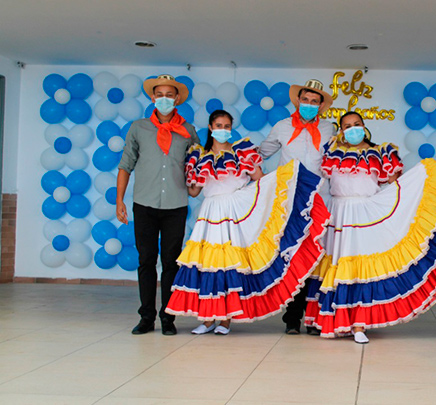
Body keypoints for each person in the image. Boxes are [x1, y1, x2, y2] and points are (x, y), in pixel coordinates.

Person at [304, 111, 436, 344]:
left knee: (360, 268)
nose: (352, 129)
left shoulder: (380, 152)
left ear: (364, 126)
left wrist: (409, 193)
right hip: (338, 214)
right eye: (347, 126)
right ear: (341, 130)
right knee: (337, 265)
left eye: (356, 124)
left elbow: (395, 184)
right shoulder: (332, 152)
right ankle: (333, 320)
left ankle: (359, 324)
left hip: (366, 213)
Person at [164, 110, 329, 334]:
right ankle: (207, 319)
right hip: (210, 212)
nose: (223, 130)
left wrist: (279, 186)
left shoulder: (242, 154)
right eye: (219, 125)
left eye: (226, 126)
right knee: (208, 264)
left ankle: (225, 320)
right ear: (211, 128)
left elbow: (259, 180)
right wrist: (187, 174)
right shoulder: (199, 157)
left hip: (234, 212)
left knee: (230, 264)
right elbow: (194, 192)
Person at [117, 74, 201, 336]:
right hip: (144, 203)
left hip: (175, 205)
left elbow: (196, 166)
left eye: (169, 94)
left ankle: (168, 317)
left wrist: (197, 186)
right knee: (146, 260)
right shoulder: (138, 127)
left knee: (171, 262)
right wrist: (119, 200)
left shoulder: (188, 131)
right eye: (159, 94)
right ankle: (146, 317)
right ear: (153, 98)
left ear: (177, 98)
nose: (164, 99)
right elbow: (125, 164)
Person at [259, 79, 335, 335]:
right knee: (294, 256)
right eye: (306, 100)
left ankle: (314, 317)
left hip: (321, 200)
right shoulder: (282, 126)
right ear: (298, 101)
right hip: (291, 201)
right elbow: (261, 153)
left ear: (321, 105)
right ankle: (292, 318)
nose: (310, 105)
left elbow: (341, 156)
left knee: (317, 258)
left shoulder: (329, 129)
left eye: (315, 102)